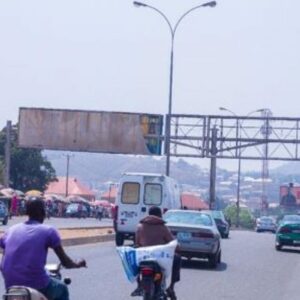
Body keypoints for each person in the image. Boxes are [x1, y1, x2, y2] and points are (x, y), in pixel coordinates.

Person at [0, 198, 86, 300]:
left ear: (27, 212)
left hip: (11, 286)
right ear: (43, 212)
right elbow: (65, 262)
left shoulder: (11, 230)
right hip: (37, 284)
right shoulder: (49, 231)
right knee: (62, 288)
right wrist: (78, 264)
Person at [132, 206, 181, 300]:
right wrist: (177, 248)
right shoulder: (163, 227)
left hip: (144, 257)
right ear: (160, 215)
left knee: (134, 260)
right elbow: (172, 243)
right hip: (159, 259)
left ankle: (138, 283)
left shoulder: (140, 226)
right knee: (177, 258)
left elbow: (137, 243)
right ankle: (171, 287)